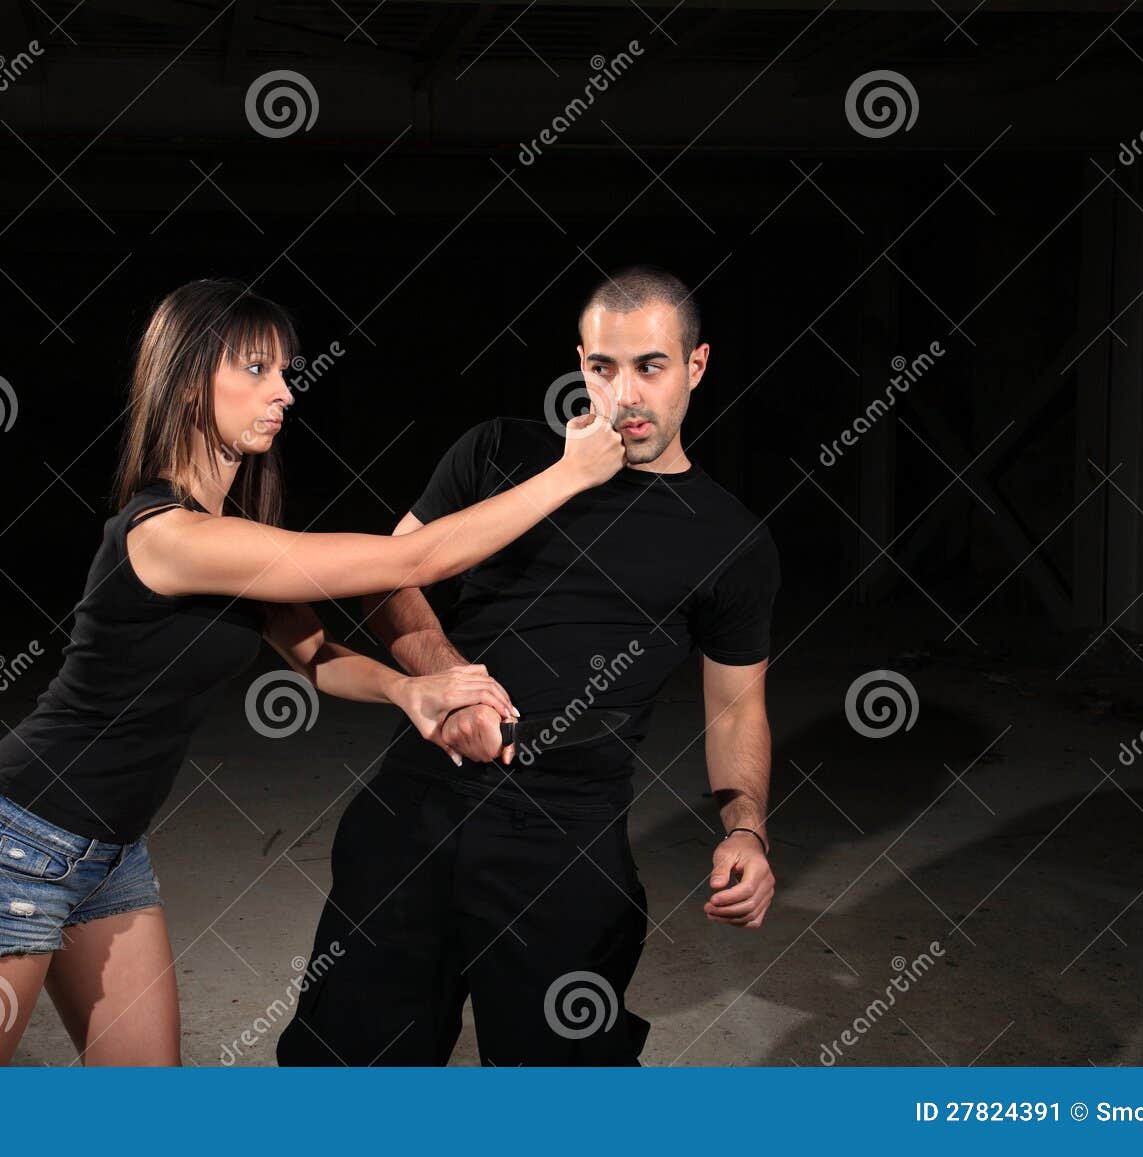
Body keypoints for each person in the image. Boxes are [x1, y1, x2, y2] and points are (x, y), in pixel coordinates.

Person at [0, 276, 626, 1065]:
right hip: (11, 844)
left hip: (109, 855)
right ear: (186, 379)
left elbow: (316, 659)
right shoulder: (168, 537)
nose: (284, 392)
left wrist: (407, 687)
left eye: (285, 371)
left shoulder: (229, 533)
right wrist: (569, 473)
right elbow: (414, 557)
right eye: (256, 370)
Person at [277, 265, 780, 1066]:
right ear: (579, 362)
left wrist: (745, 827)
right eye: (602, 367)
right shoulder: (501, 451)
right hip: (421, 796)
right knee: (346, 1067)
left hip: (566, 828)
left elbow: (735, 707)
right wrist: (446, 682)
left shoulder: (730, 538)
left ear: (697, 365)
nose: (626, 395)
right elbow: (392, 573)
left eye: (651, 366)